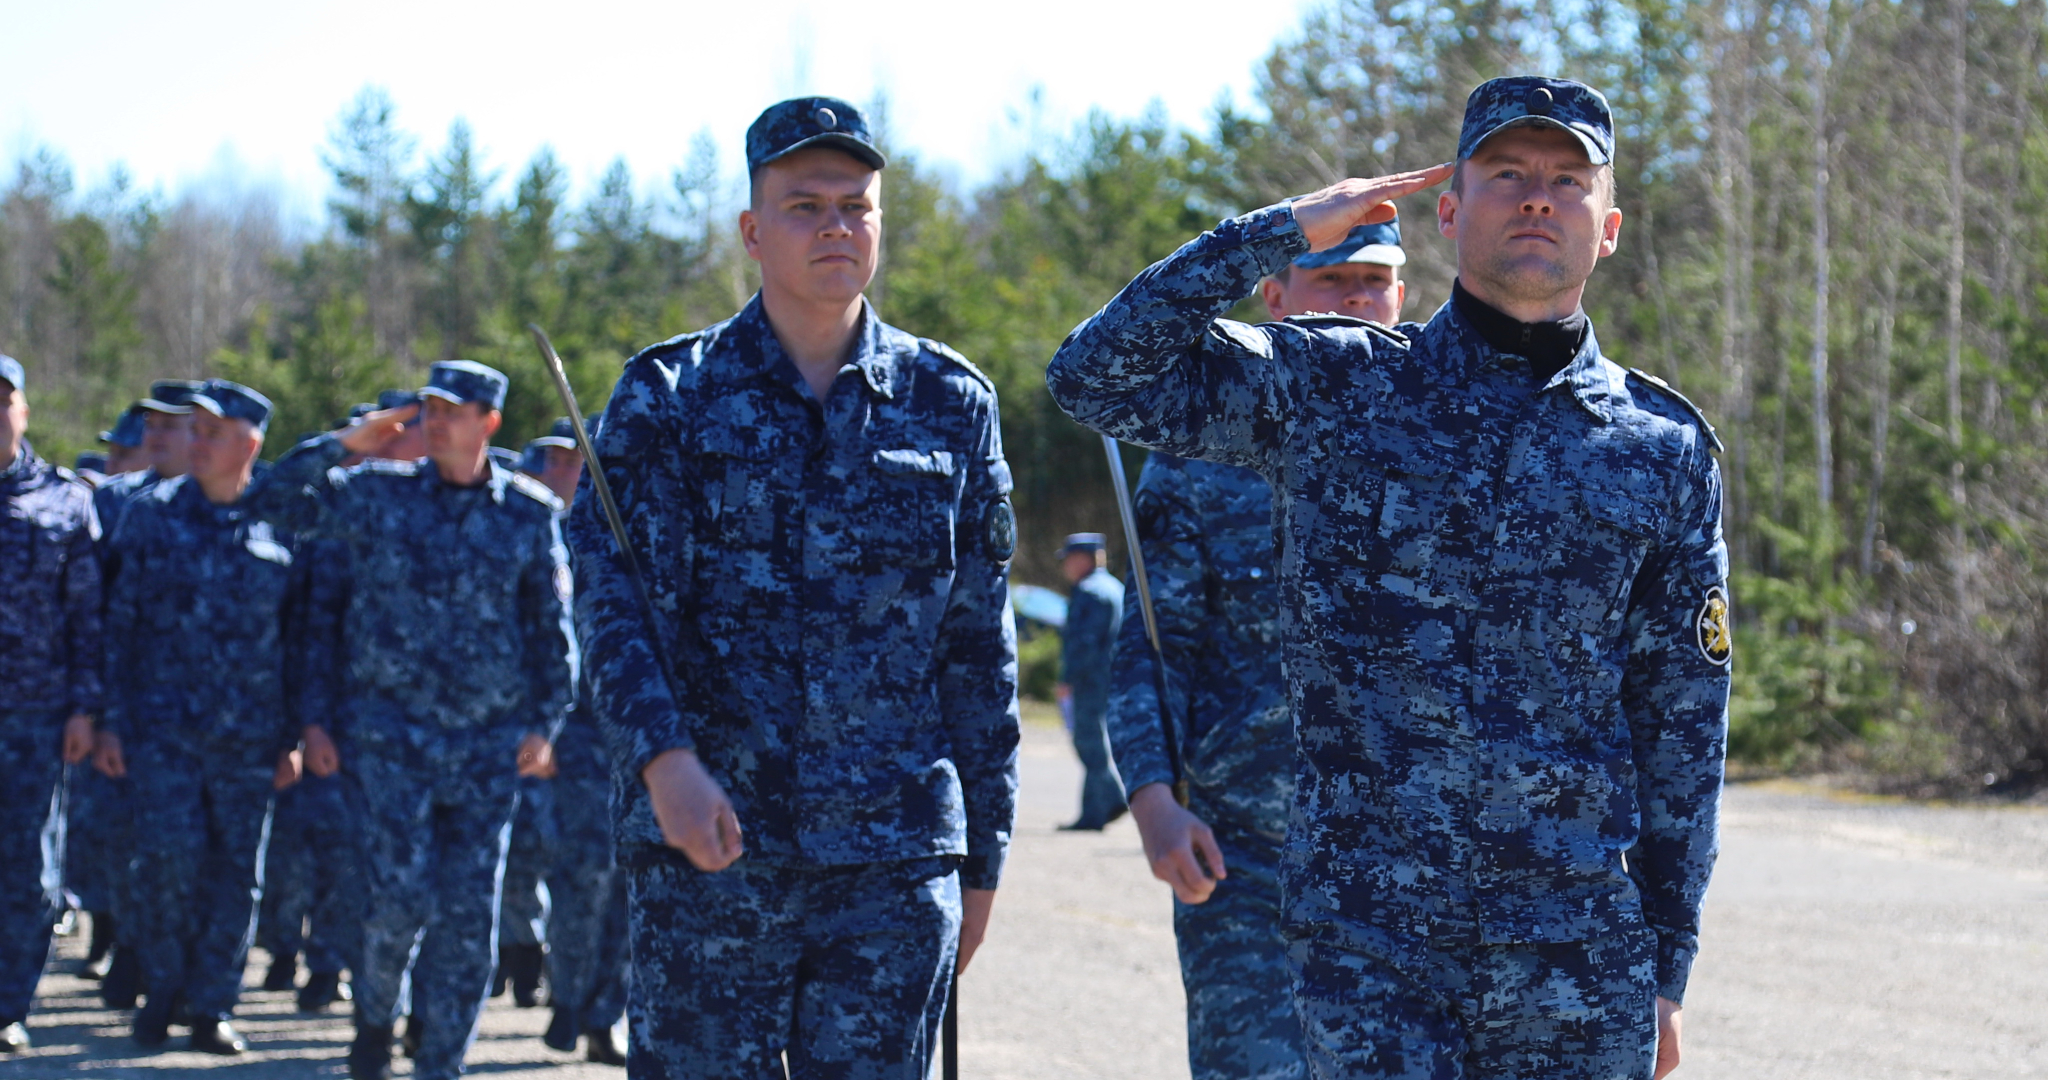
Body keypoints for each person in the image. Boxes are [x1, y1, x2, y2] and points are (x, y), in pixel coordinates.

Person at [1046, 76, 1730, 1080]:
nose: (1537, 198)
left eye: (1565, 180)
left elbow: (1680, 723)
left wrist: (1665, 965)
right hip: (1372, 957)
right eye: (1505, 175)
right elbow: (1094, 375)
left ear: (1609, 226)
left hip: (1574, 963)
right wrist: (1275, 234)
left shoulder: (1658, 447)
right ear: (1447, 212)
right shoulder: (1340, 387)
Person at [567, 95, 1019, 1077]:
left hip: (892, 866)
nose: (834, 227)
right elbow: (607, 600)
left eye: (854, 205)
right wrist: (661, 760)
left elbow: (978, 648)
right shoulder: (668, 397)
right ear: (751, 230)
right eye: (804, 205)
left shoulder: (949, 404)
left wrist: (981, 858)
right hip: (710, 853)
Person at [1107, 220, 1410, 1080]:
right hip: (1246, 866)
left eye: (1374, 281)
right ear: (1274, 298)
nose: (1355, 300)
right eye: (1332, 280)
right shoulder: (1198, 460)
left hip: (1406, 870)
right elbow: (1150, 655)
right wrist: (1154, 803)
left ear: (1403, 294)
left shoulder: (1443, 461)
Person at [249, 360, 573, 1080]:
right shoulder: (375, 496)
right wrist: (345, 442)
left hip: (488, 748)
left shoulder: (526, 512)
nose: (437, 421)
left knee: (467, 917)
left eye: (454, 410)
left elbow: (550, 631)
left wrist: (544, 724)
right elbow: (269, 502)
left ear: (489, 422)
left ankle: (440, 1061)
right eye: (429, 408)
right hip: (390, 740)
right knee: (396, 901)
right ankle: (374, 1017)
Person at [94, 379, 303, 1055]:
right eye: (196, 431)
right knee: (164, 865)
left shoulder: (283, 518)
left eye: (213, 433)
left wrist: (295, 734)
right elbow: (118, 625)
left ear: (250, 442)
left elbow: (303, 639)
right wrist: (111, 720)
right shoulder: (151, 514)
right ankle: (162, 992)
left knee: (235, 874)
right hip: (163, 733)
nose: (198, 443)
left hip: (250, 738)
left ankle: (212, 1005)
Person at [0, 353, 102, 1053]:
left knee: (30, 876)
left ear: (23, 410)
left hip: (33, 717)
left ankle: (8, 1003)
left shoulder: (65, 502)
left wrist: (85, 709)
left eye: (1, 400)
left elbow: (89, 618)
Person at [520, 419, 630, 1066]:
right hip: (581, 729)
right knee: (582, 874)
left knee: (633, 883)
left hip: (644, 735)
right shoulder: (554, 539)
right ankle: (566, 996)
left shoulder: (644, 537)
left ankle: (604, 1014)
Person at [1055, 533, 1126, 831]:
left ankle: (1108, 802)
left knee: (1090, 744)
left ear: (1085, 558)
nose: (1066, 568)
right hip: (1112, 678)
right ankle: (1100, 808)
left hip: (1090, 680)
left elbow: (1084, 643)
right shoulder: (1114, 587)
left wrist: (1068, 677)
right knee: (1095, 741)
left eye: (1069, 560)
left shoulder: (1090, 591)